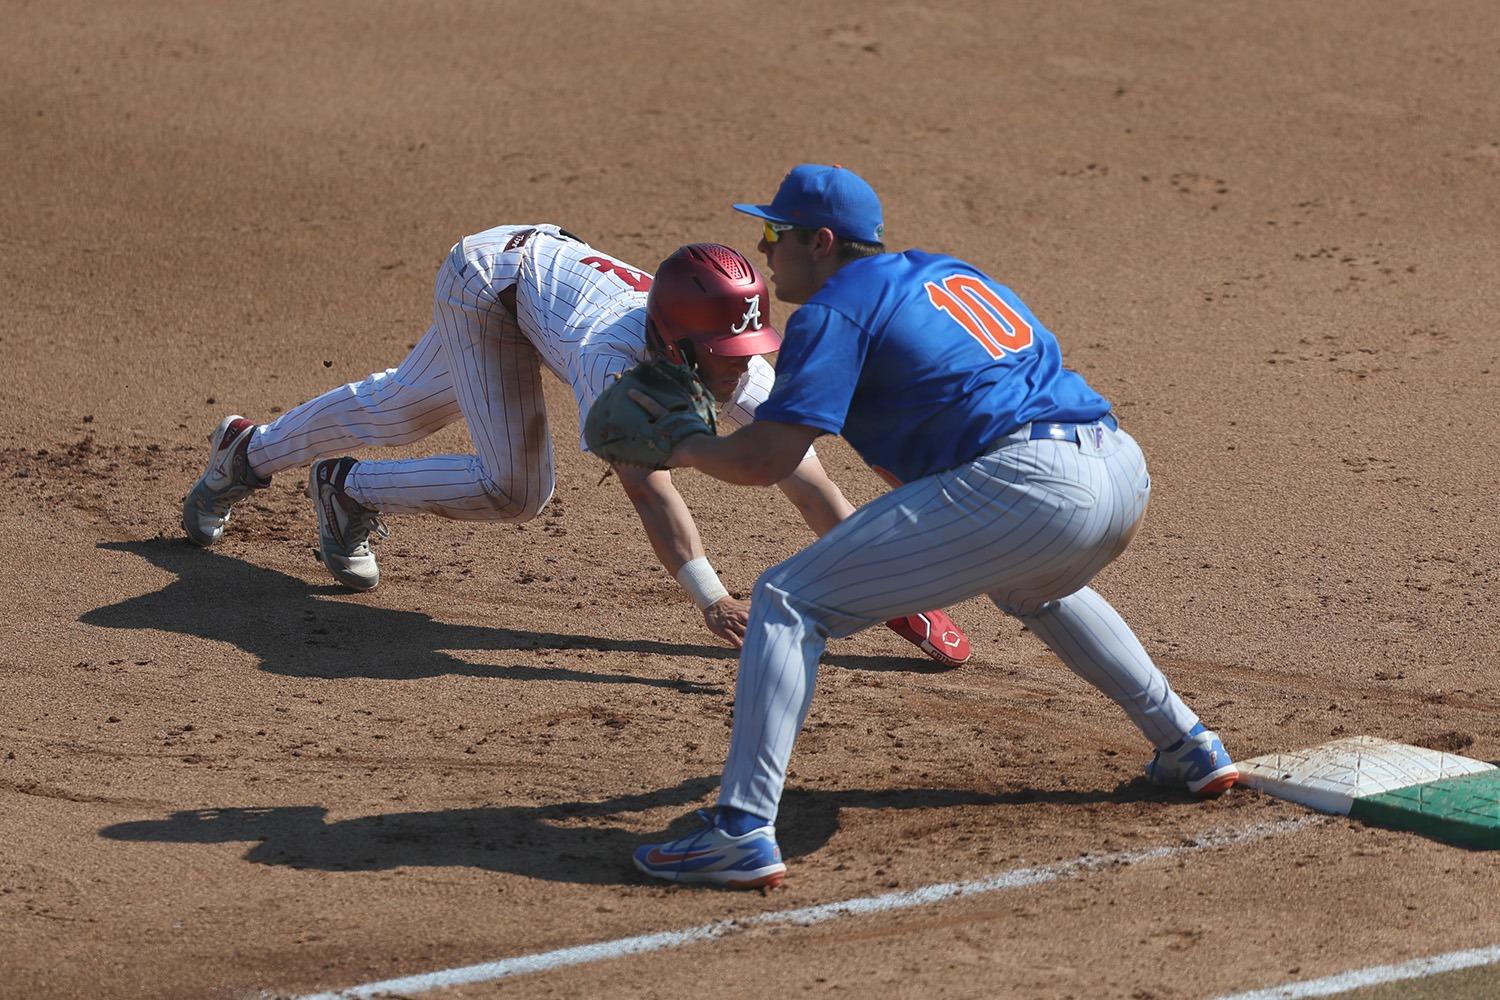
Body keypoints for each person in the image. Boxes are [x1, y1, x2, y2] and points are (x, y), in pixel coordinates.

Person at [633, 165, 1238, 889]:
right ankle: (1189, 748)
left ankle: (739, 831)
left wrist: (676, 446)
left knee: (789, 600)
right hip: (1116, 467)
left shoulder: (834, 312)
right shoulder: (947, 276)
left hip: (1034, 482)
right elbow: (937, 456)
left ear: (821, 241)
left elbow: (765, 460)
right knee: (1027, 583)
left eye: (773, 233)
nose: (763, 252)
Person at [181, 225, 971, 663]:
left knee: (403, 412)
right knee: (505, 482)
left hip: (540, 283)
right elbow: (649, 488)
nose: (742, 373)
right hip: (488, 287)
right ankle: (302, 473)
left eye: (750, 352)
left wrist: (901, 600)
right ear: (677, 343)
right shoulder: (611, 364)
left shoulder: (735, 356)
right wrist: (710, 597)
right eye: (726, 362)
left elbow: (807, 481)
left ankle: (294, 468)